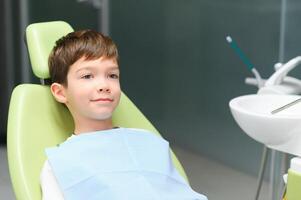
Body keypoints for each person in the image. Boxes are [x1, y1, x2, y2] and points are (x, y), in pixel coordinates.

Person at [40, 29, 208, 200]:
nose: (104, 85)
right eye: (88, 76)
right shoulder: (59, 164)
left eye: (112, 75)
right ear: (60, 93)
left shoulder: (150, 142)